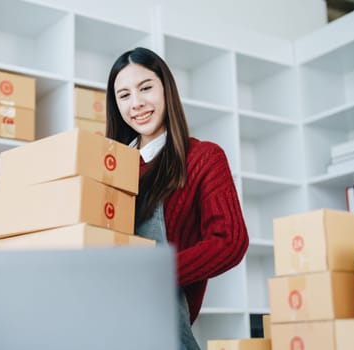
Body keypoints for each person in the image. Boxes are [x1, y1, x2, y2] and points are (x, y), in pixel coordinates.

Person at [105, 47, 249, 350]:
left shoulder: (203, 157)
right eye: (124, 95)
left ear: (166, 89)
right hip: (107, 318)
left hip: (162, 329)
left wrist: (154, 273)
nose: (137, 103)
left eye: (145, 88)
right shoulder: (110, 167)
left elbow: (230, 240)